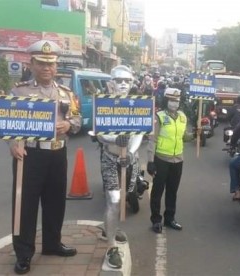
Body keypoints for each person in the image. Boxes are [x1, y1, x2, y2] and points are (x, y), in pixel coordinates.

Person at [8, 40, 81, 275]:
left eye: (50, 63)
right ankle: (23, 254)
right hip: (29, 154)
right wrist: (13, 143)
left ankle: (52, 244)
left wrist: (68, 125)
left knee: (55, 203)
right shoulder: (19, 91)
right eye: (41, 63)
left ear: (56, 65)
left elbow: (78, 120)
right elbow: (7, 121)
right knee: (24, 205)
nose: (46, 68)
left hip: (57, 154)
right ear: (31, 63)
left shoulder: (67, 94)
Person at [96, 65, 142, 269]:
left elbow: (141, 131)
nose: (123, 84)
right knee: (113, 199)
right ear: (111, 83)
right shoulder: (103, 104)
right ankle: (111, 246)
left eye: (127, 81)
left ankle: (111, 228)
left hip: (130, 158)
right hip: (109, 156)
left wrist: (130, 152)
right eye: (119, 80)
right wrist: (115, 138)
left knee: (125, 195)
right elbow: (99, 133)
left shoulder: (139, 104)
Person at [147, 88, 187, 233]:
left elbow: (183, 136)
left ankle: (170, 218)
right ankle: (156, 220)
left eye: (176, 101)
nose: (174, 103)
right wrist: (150, 161)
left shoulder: (182, 116)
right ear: (165, 101)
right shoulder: (159, 117)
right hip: (161, 159)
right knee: (157, 191)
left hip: (178, 159)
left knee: (172, 191)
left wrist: (196, 134)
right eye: (171, 100)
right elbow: (152, 139)